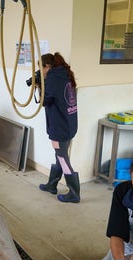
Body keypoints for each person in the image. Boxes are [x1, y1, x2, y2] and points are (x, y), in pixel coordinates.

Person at [37, 53, 80, 203]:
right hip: (69, 124)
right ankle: (52, 184)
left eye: (40, 67)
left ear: (47, 67)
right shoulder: (65, 74)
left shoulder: (53, 78)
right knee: (60, 155)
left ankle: (74, 193)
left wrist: (40, 86)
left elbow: (44, 101)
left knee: (62, 156)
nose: (40, 71)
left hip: (59, 126)